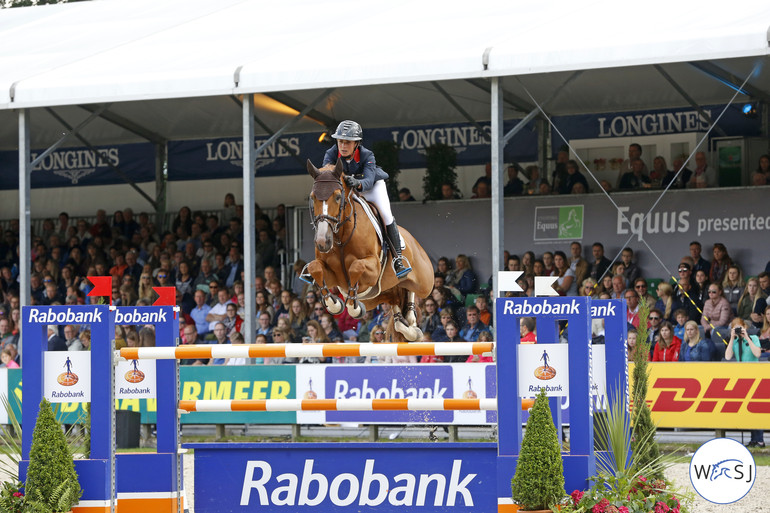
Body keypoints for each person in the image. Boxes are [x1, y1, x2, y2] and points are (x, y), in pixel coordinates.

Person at [323, 120, 410, 278]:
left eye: (347, 142)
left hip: (371, 188)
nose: (343, 146)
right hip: (347, 189)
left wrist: (357, 183)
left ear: (356, 143)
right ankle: (322, 259)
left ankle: (398, 259)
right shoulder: (331, 153)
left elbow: (369, 181)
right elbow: (328, 176)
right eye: (340, 141)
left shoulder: (366, 154)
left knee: (385, 214)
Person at [702, 282, 734, 359]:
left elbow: (723, 321)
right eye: (709, 291)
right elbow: (703, 318)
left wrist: (709, 326)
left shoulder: (724, 303)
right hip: (711, 326)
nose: (711, 293)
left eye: (714, 292)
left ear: (720, 292)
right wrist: (705, 326)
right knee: (698, 328)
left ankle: (717, 356)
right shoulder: (707, 302)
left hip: (724, 327)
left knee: (715, 330)